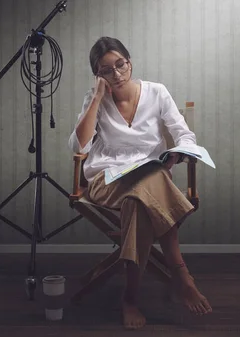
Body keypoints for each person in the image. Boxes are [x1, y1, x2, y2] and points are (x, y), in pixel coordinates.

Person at [68, 36, 212, 330]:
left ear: (129, 62)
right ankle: (181, 275)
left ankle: (129, 298)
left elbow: (184, 134)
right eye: (106, 70)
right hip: (106, 181)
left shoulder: (157, 92)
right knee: (154, 180)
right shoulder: (94, 98)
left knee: (139, 199)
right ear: (98, 75)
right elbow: (78, 145)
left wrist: (177, 152)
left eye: (120, 65)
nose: (117, 75)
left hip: (148, 184)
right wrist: (96, 98)